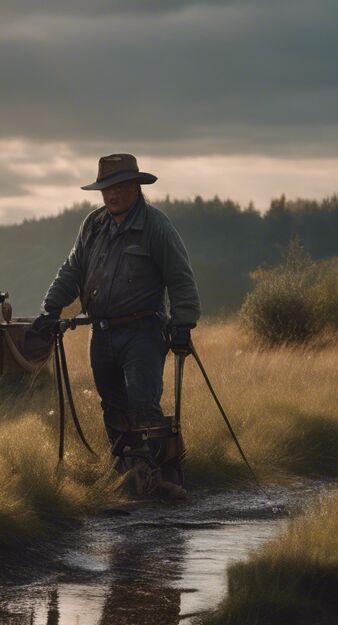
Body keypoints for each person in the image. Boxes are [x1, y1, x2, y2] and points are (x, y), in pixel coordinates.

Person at [31, 154, 200, 499]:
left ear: (136, 187)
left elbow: (180, 278)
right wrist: (51, 308)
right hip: (102, 332)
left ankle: (161, 481)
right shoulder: (93, 225)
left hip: (143, 330)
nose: (113, 194)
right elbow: (73, 269)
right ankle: (128, 479)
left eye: (121, 186)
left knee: (143, 403)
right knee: (113, 407)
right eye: (107, 187)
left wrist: (183, 324)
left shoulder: (156, 226)